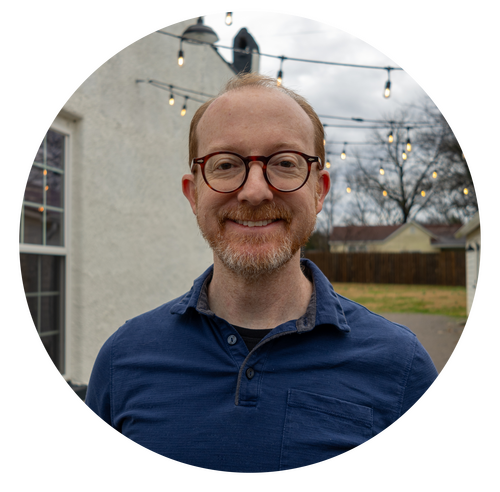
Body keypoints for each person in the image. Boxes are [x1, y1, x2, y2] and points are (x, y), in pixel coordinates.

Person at [82, 72, 440, 475]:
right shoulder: (123, 359)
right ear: (193, 193)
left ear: (319, 191)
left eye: (285, 163)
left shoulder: (401, 366)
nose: (254, 191)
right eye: (225, 164)